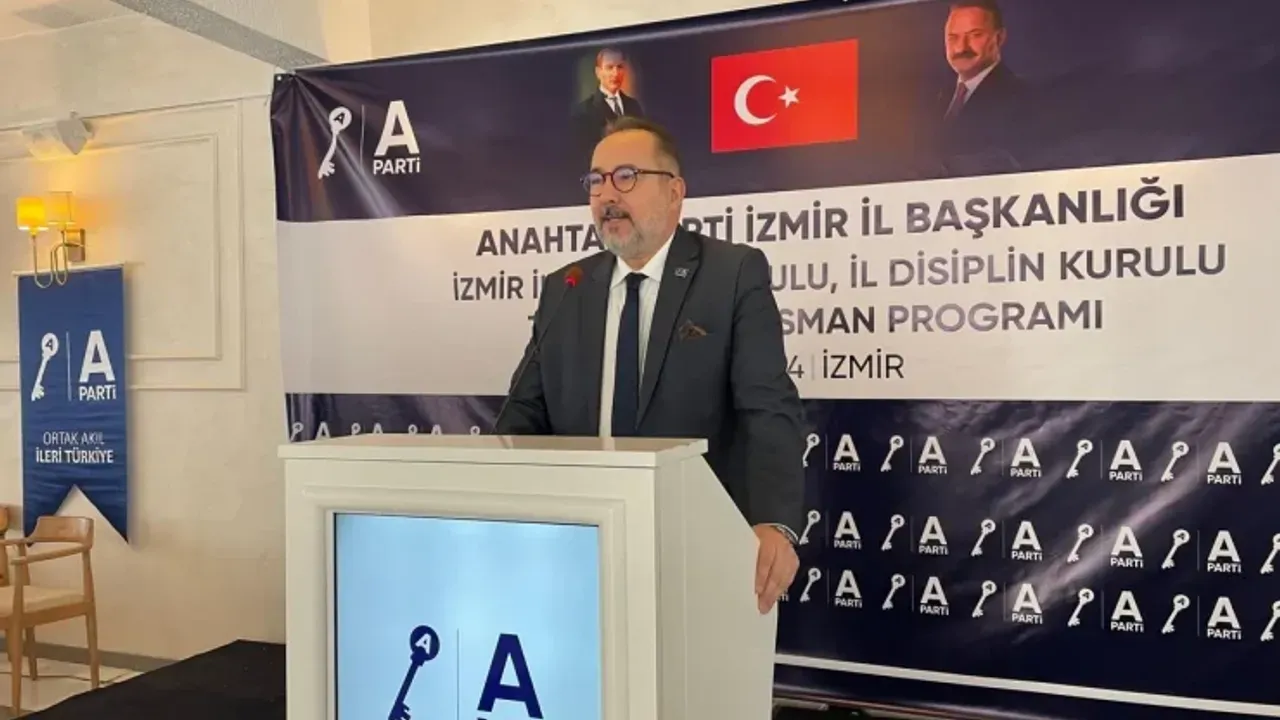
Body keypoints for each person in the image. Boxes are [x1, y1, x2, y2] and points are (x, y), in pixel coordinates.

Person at [496, 116, 804, 614]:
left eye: (626, 177)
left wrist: (773, 521)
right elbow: (523, 415)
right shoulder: (566, 287)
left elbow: (768, 406)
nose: (606, 195)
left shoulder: (731, 273)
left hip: (694, 539)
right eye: (596, 181)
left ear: (674, 192)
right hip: (579, 544)